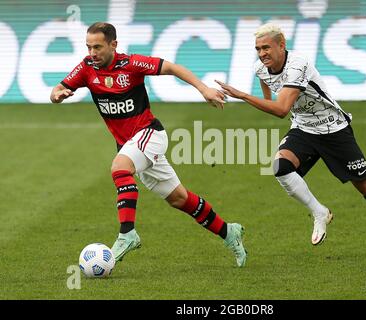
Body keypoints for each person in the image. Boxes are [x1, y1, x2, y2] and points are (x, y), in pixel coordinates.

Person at [216, 23, 366, 259]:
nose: (262, 53)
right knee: (280, 167)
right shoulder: (260, 68)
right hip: (304, 129)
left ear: (281, 44)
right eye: (258, 48)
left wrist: (242, 95)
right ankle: (319, 212)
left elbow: (281, 109)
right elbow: (269, 95)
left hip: (334, 129)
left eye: (266, 47)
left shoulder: (298, 64)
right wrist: (264, 100)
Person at [50, 22, 247, 267]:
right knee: (178, 198)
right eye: (89, 47)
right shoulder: (86, 68)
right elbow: (58, 89)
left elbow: (172, 68)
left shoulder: (131, 64)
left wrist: (204, 88)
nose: (92, 53)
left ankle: (127, 234)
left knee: (120, 168)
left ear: (113, 45)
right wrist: (56, 95)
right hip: (129, 144)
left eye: (98, 47)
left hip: (149, 134)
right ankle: (229, 232)